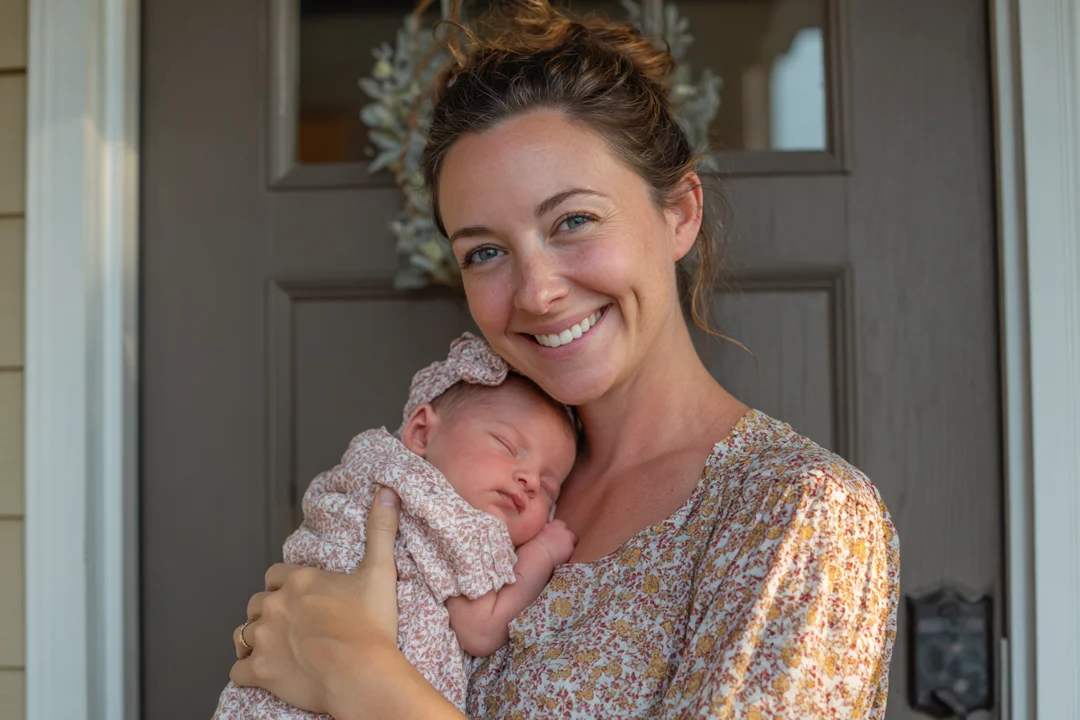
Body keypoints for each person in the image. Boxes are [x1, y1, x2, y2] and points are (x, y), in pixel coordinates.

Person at [227, 2, 900, 717]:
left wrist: (360, 676)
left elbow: (353, 669)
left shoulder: (798, 514)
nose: (538, 293)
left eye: (572, 221)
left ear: (680, 213)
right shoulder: (464, 480)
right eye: (485, 252)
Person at [213, 334, 578, 717]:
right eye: (506, 445)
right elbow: (482, 627)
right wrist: (542, 551)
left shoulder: (374, 468)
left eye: (549, 489)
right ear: (420, 433)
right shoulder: (444, 510)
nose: (530, 481)